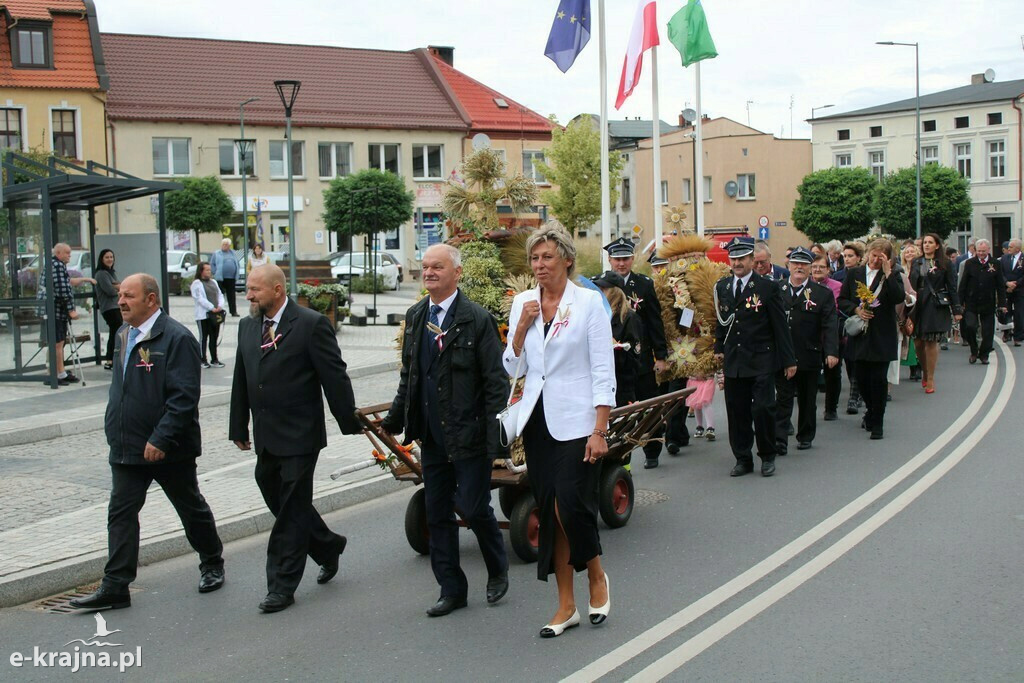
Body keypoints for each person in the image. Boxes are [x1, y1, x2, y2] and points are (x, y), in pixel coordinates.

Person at [70, 274, 224, 610]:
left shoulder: (177, 338)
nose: (121, 301)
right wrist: (115, 428)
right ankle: (116, 586)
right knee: (121, 513)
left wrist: (162, 437)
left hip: (167, 448)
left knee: (190, 507)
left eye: (129, 296)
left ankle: (212, 561)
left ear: (151, 300)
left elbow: (184, 397)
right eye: (119, 295)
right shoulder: (124, 333)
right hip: (127, 445)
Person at [380, 244, 509, 617]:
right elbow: (411, 376)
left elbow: (495, 384)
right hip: (433, 438)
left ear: (457, 273)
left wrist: (496, 442)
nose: (429, 272)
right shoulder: (417, 315)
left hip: (469, 436)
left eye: (438, 267)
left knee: (472, 507)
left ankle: (497, 569)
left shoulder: (476, 318)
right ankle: (451, 589)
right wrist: (393, 419)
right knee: (437, 514)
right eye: (425, 267)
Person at [229, 264, 362, 613]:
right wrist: (238, 426)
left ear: (277, 290)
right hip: (267, 434)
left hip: (301, 434)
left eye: (255, 290)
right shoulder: (247, 326)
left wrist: (349, 420)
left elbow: (334, 376)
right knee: (276, 491)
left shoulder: (310, 324)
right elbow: (242, 376)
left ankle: (281, 585)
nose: (248, 296)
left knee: (290, 508)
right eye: (247, 289)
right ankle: (327, 545)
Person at [504, 224, 614, 638]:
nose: (539, 266)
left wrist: (600, 427)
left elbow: (603, 368)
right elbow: (511, 369)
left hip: (579, 419)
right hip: (537, 421)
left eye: (547, 257)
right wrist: (519, 332)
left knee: (569, 504)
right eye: (534, 258)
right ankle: (566, 604)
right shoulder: (523, 303)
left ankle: (597, 575)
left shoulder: (588, 303)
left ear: (567, 259)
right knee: (550, 509)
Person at [714, 236, 797, 477]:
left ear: (752, 259)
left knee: (763, 409)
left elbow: (780, 325)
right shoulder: (722, 287)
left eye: (742, 258)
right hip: (734, 360)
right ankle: (743, 458)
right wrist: (719, 349)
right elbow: (721, 322)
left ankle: (767, 455)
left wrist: (789, 360)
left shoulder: (767, 287)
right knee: (736, 411)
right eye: (734, 258)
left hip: (761, 358)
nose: (737, 263)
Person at [605, 237, 677, 468]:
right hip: (615, 361)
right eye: (617, 259)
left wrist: (661, 357)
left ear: (633, 259)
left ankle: (652, 449)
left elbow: (655, 322)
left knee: (648, 406)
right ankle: (620, 456)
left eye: (625, 258)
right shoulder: (602, 286)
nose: (621, 264)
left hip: (642, 358)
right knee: (621, 411)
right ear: (609, 260)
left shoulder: (644, 285)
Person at [838, 239, 905, 440]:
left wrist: (888, 272)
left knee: (878, 379)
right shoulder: (854, 274)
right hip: (860, 335)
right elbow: (843, 300)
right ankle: (870, 409)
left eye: (881, 257)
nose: (876, 260)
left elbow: (897, 297)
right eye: (873, 255)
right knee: (862, 378)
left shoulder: (893, 276)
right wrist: (856, 309)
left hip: (882, 334)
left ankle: (878, 422)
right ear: (867, 254)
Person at [774, 248, 838, 454]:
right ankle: (779, 440)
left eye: (804, 264)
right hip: (782, 355)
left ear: (810, 268)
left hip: (808, 353)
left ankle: (805, 434)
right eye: (795, 263)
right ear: (788, 266)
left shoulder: (822, 294)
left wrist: (831, 351)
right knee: (783, 398)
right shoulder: (776, 289)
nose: (799, 267)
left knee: (807, 398)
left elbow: (829, 324)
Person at [910, 234, 961, 392]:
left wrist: (956, 309)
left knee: (931, 342)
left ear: (937, 245)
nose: (926, 245)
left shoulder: (945, 263)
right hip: (918, 304)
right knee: (918, 342)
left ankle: (930, 378)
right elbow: (911, 284)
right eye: (925, 242)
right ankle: (924, 372)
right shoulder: (916, 262)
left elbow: (952, 287)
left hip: (935, 304)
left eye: (930, 243)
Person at [592, 270, 642, 406]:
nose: (599, 292)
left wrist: (617, 347)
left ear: (614, 292)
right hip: (599, 383)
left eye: (603, 289)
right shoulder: (597, 316)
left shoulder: (628, 318)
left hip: (621, 386)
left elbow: (634, 359)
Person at [958, 239, 1007, 365]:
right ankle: (974, 351)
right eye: (979, 251)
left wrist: (1002, 304)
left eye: (983, 251)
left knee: (988, 331)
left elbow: (1000, 285)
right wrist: (959, 304)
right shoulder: (970, 263)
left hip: (988, 301)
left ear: (988, 250)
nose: (981, 253)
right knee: (970, 326)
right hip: (971, 301)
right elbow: (963, 284)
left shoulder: (995, 263)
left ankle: (984, 354)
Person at [811, 255, 843, 420]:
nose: (817, 270)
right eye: (814, 266)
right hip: (809, 336)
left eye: (821, 267)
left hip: (830, 335)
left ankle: (831, 407)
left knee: (832, 372)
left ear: (828, 269)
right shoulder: (805, 285)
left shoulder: (836, 286)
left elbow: (837, 308)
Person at [190, 262, 226, 369]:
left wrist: (220, 305)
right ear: (201, 271)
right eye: (207, 270)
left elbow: (220, 294)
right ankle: (202, 359)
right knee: (203, 338)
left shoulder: (213, 282)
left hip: (215, 315)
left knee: (214, 337)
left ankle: (214, 359)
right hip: (204, 315)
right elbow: (199, 299)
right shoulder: (197, 283)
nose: (209, 272)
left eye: (210, 270)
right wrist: (211, 307)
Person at [94, 249, 122, 371]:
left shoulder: (111, 273)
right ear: (102, 259)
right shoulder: (101, 274)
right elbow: (110, 291)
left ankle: (113, 358)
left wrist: (117, 286)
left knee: (116, 332)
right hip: (109, 308)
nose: (110, 259)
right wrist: (117, 287)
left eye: (111, 257)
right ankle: (109, 359)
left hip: (116, 306)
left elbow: (118, 286)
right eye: (107, 257)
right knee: (115, 331)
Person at [898, 243, 921, 382]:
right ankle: (911, 364)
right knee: (907, 336)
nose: (909, 254)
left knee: (913, 334)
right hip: (903, 307)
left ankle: (916, 366)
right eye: (907, 252)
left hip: (915, 304)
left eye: (912, 252)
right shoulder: (900, 270)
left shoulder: (920, 268)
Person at [999, 238, 1024, 346]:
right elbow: (1000, 273)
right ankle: (1006, 332)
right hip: (1007, 289)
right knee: (1005, 312)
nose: (1008, 249)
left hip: (1020, 290)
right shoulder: (1004, 258)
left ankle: (1018, 337)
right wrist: (1007, 283)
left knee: (1019, 314)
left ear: (1018, 249)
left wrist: (1016, 284)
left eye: (1011, 247)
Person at [210, 238, 239, 316]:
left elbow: (237, 263)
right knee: (220, 294)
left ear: (229, 246)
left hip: (231, 277)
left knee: (232, 295)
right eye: (223, 244)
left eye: (226, 244)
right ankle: (219, 310)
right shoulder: (217, 253)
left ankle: (233, 311)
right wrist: (214, 272)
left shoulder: (233, 253)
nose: (224, 246)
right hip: (220, 278)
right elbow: (212, 264)